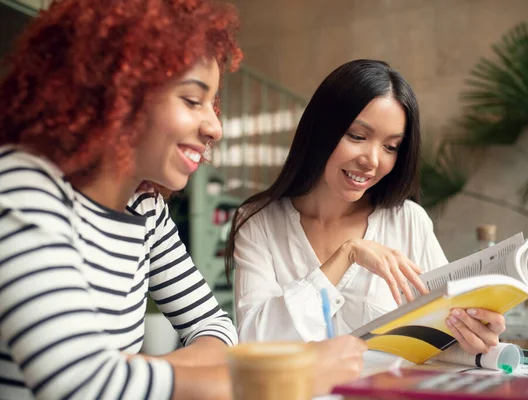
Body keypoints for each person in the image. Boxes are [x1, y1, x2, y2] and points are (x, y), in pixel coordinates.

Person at [0, 1, 366, 399]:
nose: (215, 127)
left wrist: (127, 374)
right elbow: (79, 385)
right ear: (115, 93)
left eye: (213, 103)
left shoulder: (146, 210)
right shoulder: (22, 186)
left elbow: (217, 329)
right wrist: (293, 376)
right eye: (193, 100)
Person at [227, 59, 506, 355]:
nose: (372, 160)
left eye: (390, 147)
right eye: (357, 137)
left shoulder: (408, 222)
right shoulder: (258, 222)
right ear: (321, 129)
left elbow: (445, 338)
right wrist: (347, 254)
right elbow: (255, 341)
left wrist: (476, 335)